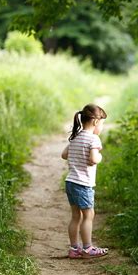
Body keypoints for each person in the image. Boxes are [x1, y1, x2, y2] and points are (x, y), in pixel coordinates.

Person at [61, 103, 108, 258]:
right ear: (95, 122)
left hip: (70, 182)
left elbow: (64, 154)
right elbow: (93, 159)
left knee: (75, 216)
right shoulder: (94, 139)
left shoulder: (76, 136)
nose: (101, 127)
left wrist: (77, 155)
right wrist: (99, 157)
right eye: (102, 124)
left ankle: (74, 249)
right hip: (83, 184)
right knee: (88, 215)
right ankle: (88, 248)